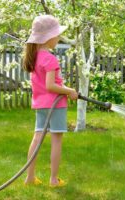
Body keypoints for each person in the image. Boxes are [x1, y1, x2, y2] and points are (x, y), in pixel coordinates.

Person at [22, 15, 78, 187]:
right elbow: (50, 86)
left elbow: (48, 84)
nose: (58, 38)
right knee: (56, 140)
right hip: (56, 105)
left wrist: (64, 88)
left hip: (41, 104)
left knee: (37, 138)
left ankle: (30, 178)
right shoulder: (50, 58)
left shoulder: (34, 57)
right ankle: (54, 180)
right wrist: (69, 91)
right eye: (57, 35)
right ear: (49, 37)